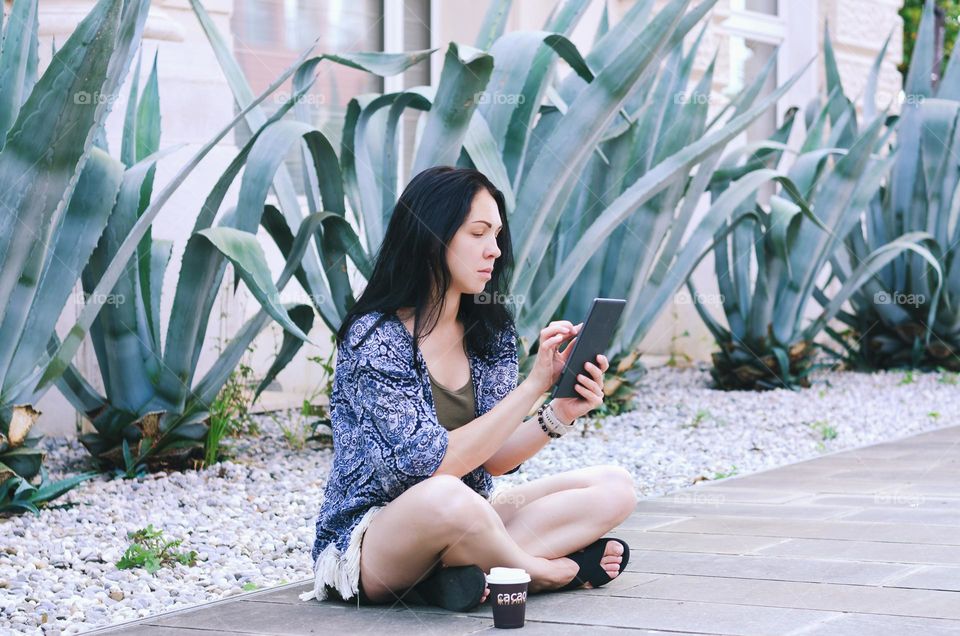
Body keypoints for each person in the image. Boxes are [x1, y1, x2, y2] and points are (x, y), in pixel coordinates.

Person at [300, 166, 636, 610]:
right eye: (478, 233)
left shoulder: (489, 332)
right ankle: (537, 573)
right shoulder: (375, 338)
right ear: (431, 237)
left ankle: (462, 576)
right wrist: (533, 385)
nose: (494, 250)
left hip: (468, 517)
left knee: (615, 485)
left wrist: (561, 411)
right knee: (447, 496)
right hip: (376, 540)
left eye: (497, 235)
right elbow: (426, 468)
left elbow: (492, 459)